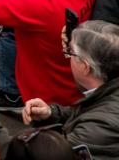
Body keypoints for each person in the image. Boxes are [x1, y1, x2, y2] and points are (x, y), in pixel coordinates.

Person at [23, 20, 119, 159]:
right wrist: (51, 114)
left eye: (70, 52)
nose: (67, 56)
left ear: (85, 67)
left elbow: (50, 156)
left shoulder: (99, 128)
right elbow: (88, 112)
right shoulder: (107, 93)